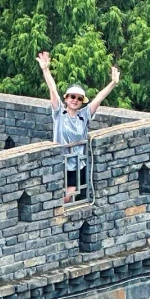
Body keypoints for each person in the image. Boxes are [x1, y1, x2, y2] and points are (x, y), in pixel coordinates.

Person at [37, 50, 121, 201]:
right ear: (67, 99)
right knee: (54, 195)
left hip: (77, 164)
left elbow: (100, 97)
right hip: (59, 161)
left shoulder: (84, 115)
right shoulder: (59, 113)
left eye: (79, 98)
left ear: (82, 101)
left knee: (67, 197)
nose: (75, 100)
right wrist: (45, 69)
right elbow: (53, 89)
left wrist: (113, 83)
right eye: (72, 97)